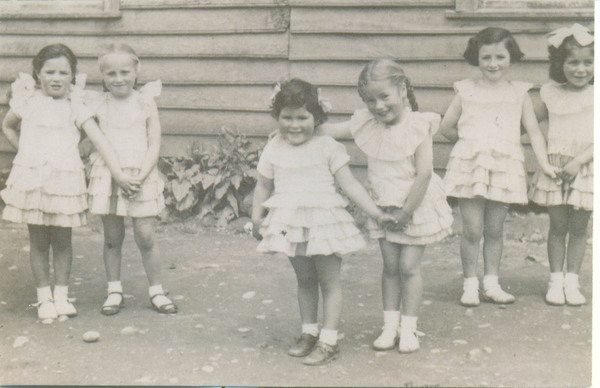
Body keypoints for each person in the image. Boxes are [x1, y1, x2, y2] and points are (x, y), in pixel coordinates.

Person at [251, 78, 397, 365]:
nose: (294, 125)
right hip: (288, 223)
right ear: (277, 117)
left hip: (324, 223)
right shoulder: (274, 147)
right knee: (304, 279)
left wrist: (376, 212)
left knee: (329, 281)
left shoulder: (327, 146)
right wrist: (256, 216)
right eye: (287, 118)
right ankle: (309, 332)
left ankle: (329, 340)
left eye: (302, 118)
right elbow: (263, 186)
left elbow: (351, 185)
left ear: (316, 118)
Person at [319, 59, 453, 353]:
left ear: (402, 90)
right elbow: (332, 130)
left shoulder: (418, 125)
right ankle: (389, 326)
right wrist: (300, 126)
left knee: (408, 267)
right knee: (390, 267)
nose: (378, 106)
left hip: (414, 207)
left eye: (384, 97)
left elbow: (425, 173)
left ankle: (409, 328)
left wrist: (406, 212)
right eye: (370, 100)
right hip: (384, 208)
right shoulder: (367, 123)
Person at [1, 44, 128, 320]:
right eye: (50, 72)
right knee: (37, 240)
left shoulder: (75, 105)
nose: (56, 78)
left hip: (64, 181)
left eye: (63, 72)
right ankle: (43, 297)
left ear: (72, 77)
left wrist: (117, 171)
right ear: (38, 74)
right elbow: (7, 125)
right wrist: (24, 151)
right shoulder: (28, 101)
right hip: (34, 180)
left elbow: (94, 136)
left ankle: (61, 294)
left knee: (62, 240)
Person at [439, 27, 557, 307]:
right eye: (486, 57)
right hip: (472, 167)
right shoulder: (465, 90)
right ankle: (469, 285)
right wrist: (470, 147)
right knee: (471, 229)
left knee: (494, 229)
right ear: (476, 59)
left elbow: (534, 131)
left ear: (511, 58)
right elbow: (446, 127)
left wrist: (544, 163)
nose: (493, 64)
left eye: (500, 57)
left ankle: (491, 283)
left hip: (504, 168)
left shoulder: (519, 92)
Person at [84, 43, 177, 315]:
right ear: (102, 76)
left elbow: (154, 143)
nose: (118, 78)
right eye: (110, 73)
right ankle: (114, 290)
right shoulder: (98, 103)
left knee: (145, 236)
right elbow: (99, 143)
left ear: (137, 70)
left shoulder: (145, 101)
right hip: (110, 174)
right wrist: (119, 176)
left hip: (141, 175)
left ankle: (156, 291)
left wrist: (141, 175)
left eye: (125, 71)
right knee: (113, 236)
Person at [529, 24, 593, 306]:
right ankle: (555, 280)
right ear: (560, 64)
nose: (581, 69)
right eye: (573, 62)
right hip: (555, 169)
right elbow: (530, 125)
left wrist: (579, 161)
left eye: (588, 62)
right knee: (557, 226)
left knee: (579, 227)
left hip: (586, 168)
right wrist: (544, 161)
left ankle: (572, 281)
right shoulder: (551, 93)